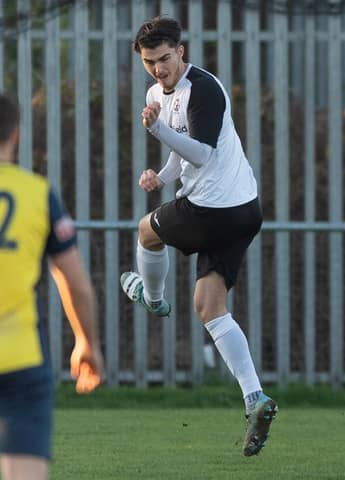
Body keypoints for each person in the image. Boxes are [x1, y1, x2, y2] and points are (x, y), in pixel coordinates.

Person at [120, 16, 276, 457]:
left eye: (165, 59)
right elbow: (181, 154)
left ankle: (152, 299)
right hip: (244, 211)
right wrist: (160, 177)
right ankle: (256, 398)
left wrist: (157, 130)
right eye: (150, 62)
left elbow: (203, 154)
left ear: (181, 52)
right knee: (210, 307)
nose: (158, 69)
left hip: (214, 209)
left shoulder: (203, 88)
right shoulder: (156, 94)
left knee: (145, 232)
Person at [0, 93, 104, 480]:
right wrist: (87, 343)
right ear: (17, 135)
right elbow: (75, 282)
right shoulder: (39, 193)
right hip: (21, 357)